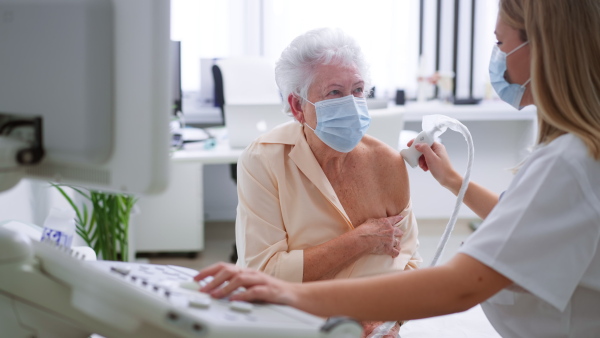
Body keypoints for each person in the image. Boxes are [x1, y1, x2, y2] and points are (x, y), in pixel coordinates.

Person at [195, 1, 600, 336]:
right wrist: (451, 181)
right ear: (298, 106)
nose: (496, 61)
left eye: (499, 42)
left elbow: (454, 284)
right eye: (334, 93)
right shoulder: (574, 152)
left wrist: (300, 298)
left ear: (543, 48)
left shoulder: (569, 160)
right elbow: (526, 223)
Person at [234, 27, 421, 336]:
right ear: (297, 107)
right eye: (335, 92)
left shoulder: (388, 162)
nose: (351, 103)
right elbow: (264, 273)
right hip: (297, 325)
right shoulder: (264, 160)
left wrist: (391, 321)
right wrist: (360, 240)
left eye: (358, 90)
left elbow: (410, 261)